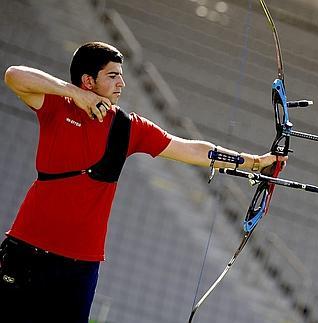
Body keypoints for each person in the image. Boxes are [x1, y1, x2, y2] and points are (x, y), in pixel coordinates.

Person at [0, 41, 286, 323]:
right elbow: (13, 75)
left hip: (81, 265)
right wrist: (73, 94)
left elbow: (190, 149)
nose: (121, 83)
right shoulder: (57, 106)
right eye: (112, 76)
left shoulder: (129, 127)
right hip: (28, 250)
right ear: (88, 81)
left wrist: (256, 161)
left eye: (121, 75)